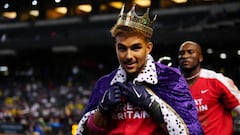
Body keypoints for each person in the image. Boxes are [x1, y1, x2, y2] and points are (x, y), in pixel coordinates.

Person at [76, 4, 203, 135]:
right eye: (122, 48)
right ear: (116, 48)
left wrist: (151, 105)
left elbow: (191, 132)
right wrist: (102, 110)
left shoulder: (171, 79)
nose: (128, 56)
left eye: (135, 48)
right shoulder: (104, 84)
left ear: (148, 48)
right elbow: (86, 132)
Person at [178, 41, 240, 135]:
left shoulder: (216, 80)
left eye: (190, 52)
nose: (185, 56)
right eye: (182, 53)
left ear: (200, 58)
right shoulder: (173, 85)